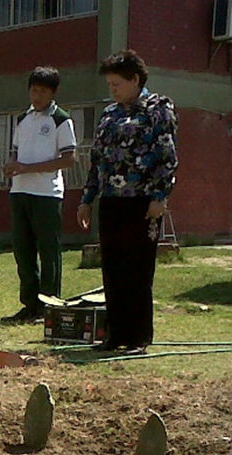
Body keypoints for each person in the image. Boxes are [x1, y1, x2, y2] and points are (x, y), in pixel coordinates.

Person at [77, 50, 177, 355]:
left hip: (142, 201)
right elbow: (98, 160)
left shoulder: (158, 109)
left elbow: (167, 157)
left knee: (137, 269)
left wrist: (160, 197)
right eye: (109, 84)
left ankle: (138, 337)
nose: (112, 89)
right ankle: (115, 334)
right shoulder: (109, 114)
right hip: (111, 200)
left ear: (135, 79)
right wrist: (87, 199)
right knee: (113, 268)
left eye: (117, 83)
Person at [2, 66, 76, 323]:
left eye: (43, 91)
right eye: (34, 90)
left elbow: (69, 159)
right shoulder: (23, 119)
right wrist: (13, 167)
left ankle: (49, 304)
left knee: (48, 250)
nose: (37, 96)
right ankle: (30, 304)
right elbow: (16, 152)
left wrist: (30, 168)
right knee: (22, 250)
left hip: (47, 194)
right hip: (20, 190)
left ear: (53, 93)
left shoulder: (61, 120)